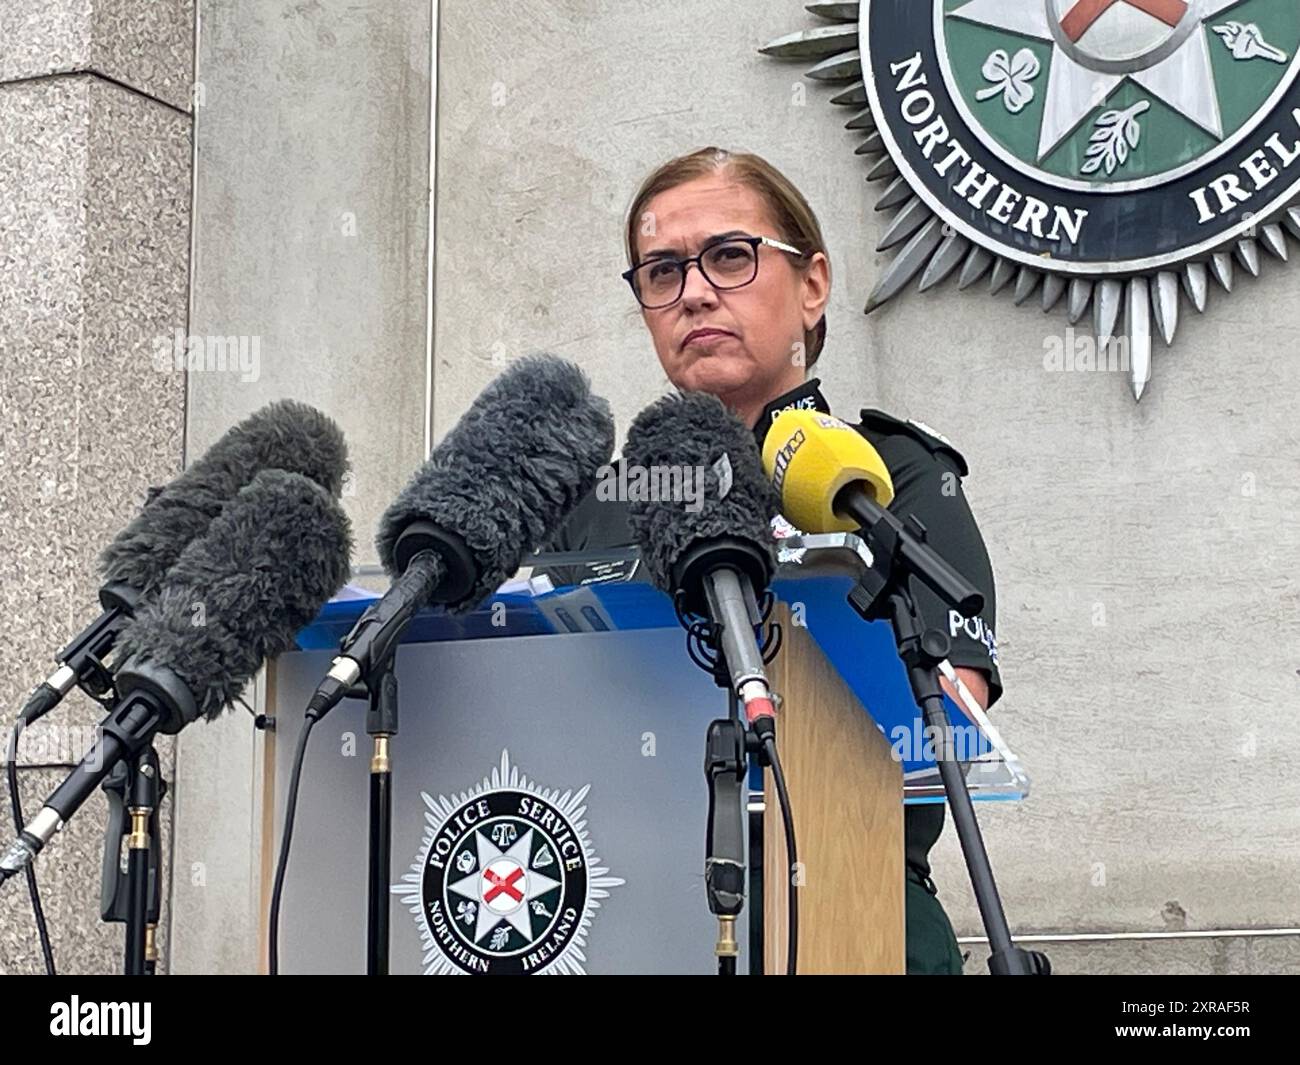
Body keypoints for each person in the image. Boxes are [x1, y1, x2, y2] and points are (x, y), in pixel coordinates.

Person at [545, 147, 1002, 974]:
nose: (692, 291)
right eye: (661, 271)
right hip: (613, 913)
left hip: (848, 902)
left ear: (813, 283)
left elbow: (945, 717)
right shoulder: (592, 504)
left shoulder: (891, 475)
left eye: (729, 255)